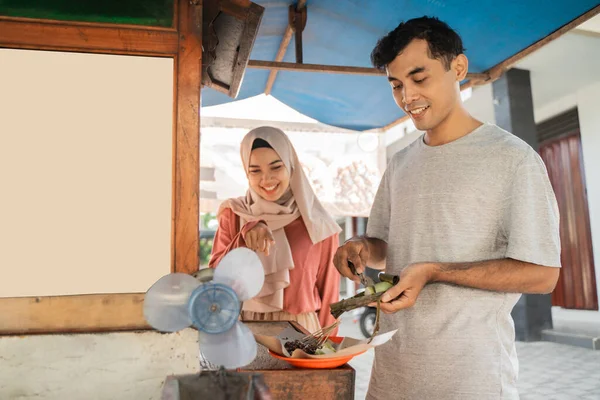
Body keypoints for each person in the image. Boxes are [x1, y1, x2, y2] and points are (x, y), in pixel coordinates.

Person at [333, 16, 561, 400]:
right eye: (396, 85)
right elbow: (385, 245)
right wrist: (360, 247)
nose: (407, 97)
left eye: (419, 79)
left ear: (458, 67)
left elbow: (542, 275)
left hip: (471, 379)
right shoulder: (401, 163)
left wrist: (435, 271)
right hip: (392, 375)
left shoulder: (512, 158)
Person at [209, 126, 342, 333]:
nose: (266, 179)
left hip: (302, 331)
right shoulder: (234, 214)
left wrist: (329, 351)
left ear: (291, 165)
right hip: (243, 330)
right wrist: (246, 233)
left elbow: (330, 297)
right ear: (246, 172)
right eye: (255, 171)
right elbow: (216, 278)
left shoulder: (318, 223)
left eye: (276, 167)